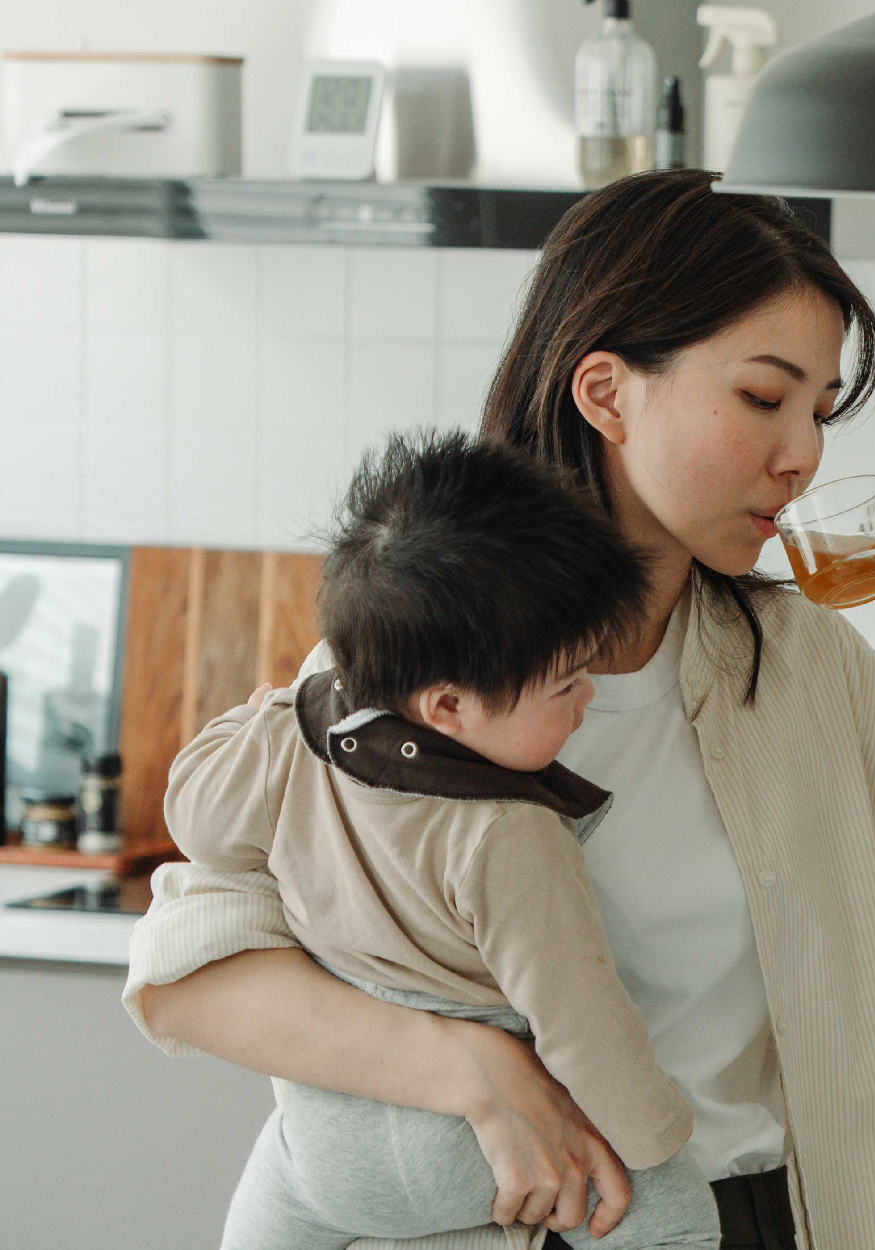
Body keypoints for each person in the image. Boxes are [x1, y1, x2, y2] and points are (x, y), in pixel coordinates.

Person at [124, 167, 875, 1250]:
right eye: (763, 398)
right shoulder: (437, 654)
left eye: (819, 409)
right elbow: (187, 972)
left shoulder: (806, 664)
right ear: (606, 391)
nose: (804, 453)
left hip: (753, 1219)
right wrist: (479, 1070)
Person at [166, 431, 720, 1249]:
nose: (586, 696)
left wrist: (268, 712)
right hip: (474, 1154)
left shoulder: (295, 737)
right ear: (450, 708)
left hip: (324, 1145)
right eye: (566, 683)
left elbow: (199, 823)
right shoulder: (509, 831)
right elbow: (580, 1017)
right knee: (678, 1224)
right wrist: (649, 1142)